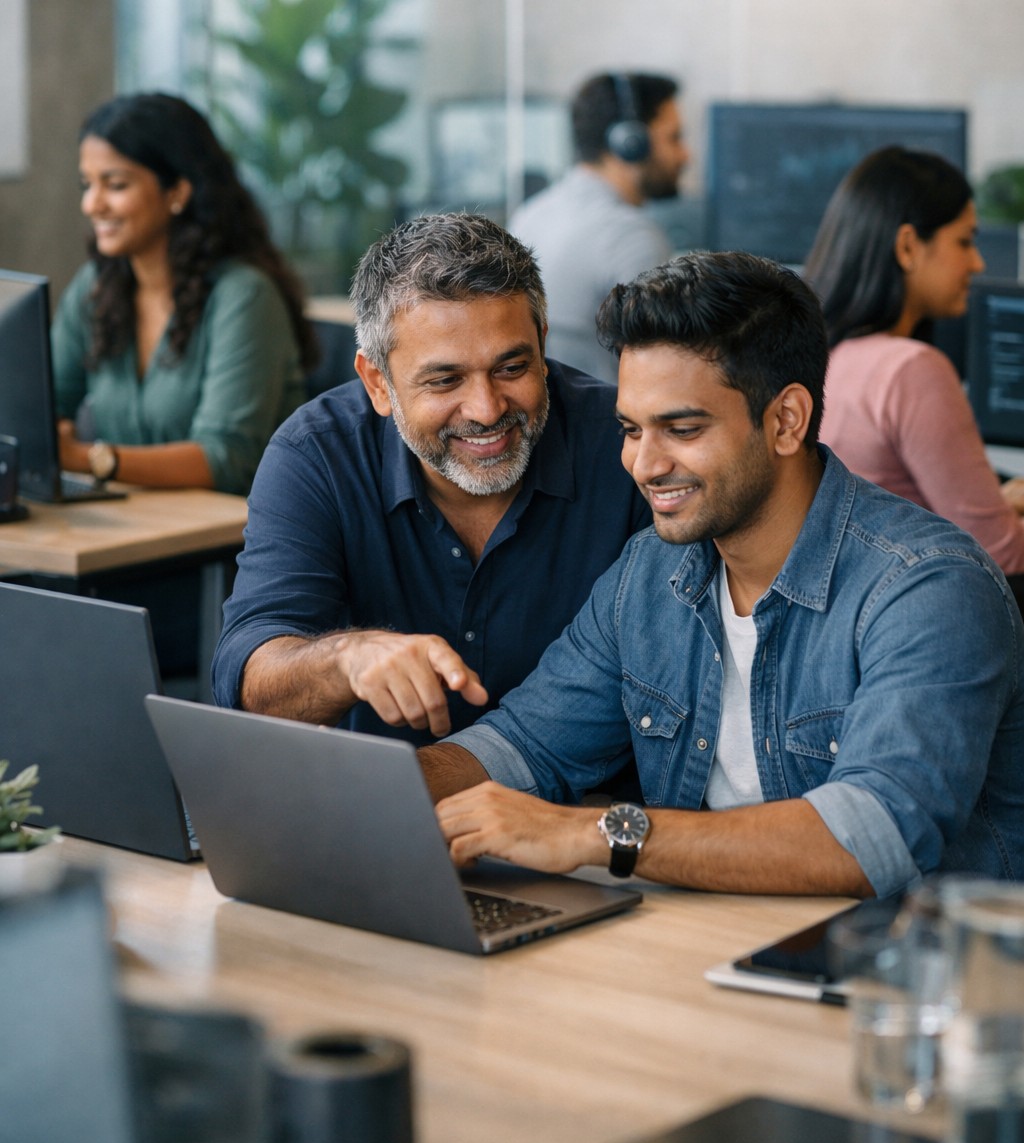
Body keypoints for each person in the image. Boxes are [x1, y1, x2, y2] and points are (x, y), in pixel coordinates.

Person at [419, 251, 1024, 901]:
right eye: (630, 430)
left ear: (785, 420)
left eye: (681, 428)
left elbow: (875, 835)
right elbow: (523, 748)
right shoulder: (648, 573)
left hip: (903, 978)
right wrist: (365, 791)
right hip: (716, 951)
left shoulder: (927, 588)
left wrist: (601, 834)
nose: (645, 465)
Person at [211, 212, 650, 747]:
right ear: (377, 383)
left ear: (542, 343)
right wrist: (346, 658)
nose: (487, 410)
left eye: (512, 368)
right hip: (384, 812)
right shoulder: (317, 455)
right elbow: (247, 679)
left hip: (582, 811)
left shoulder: (628, 445)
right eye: (445, 380)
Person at [53, 91, 317, 497]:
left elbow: (227, 458)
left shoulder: (244, 296)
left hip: (226, 546)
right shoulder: (96, 287)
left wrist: (90, 459)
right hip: (135, 528)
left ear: (177, 190)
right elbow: (46, 404)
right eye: (87, 184)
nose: (92, 204)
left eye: (115, 184)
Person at [804, 145, 1024, 579]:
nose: (977, 262)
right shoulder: (909, 369)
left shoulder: (821, 352)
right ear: (908, 246)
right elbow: (1003, 558)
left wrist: (1002, 506)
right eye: (963, 241)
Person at [509, 72, 689, 384]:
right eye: (673, 138)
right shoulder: (630, 236)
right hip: (609, 423)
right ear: (630, 142)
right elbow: (669, 370)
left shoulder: (530, 214)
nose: (685, 155)